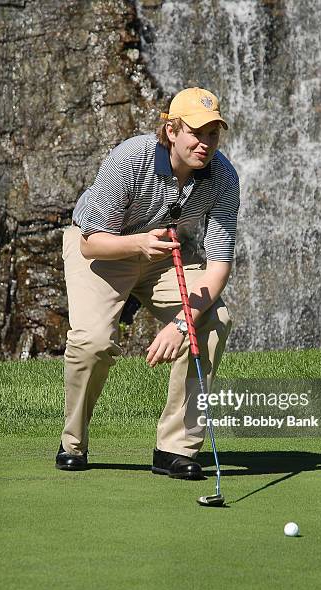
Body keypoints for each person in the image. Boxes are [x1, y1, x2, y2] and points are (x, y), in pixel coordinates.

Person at [55, 87, 240, 479]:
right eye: (196, 132)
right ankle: (73, 441)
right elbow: (90, 243)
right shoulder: (131, 157)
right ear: (172, 130)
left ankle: (174, 449)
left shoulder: (223, 177)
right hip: (105, 246)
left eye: (213, 134)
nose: (205, 143)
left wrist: (180, 324)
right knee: (93, 342)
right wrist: (137, 243)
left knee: (214, 319)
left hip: (161, 254)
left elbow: (218, 267)